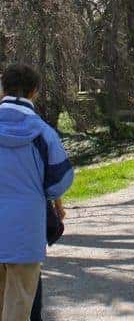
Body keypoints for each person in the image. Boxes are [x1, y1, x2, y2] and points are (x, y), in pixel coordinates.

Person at [0, 64, 74, 320]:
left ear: (3, 89)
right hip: (25, 233)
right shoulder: (44, 133)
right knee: (19, 308)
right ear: (34, 92)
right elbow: (59, 182)